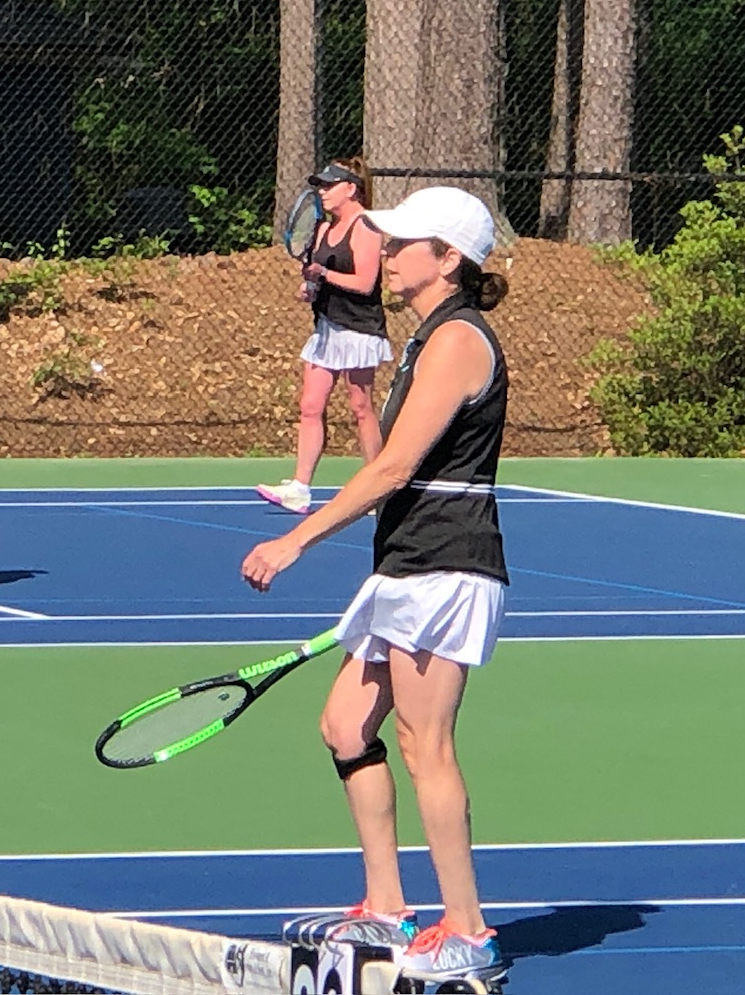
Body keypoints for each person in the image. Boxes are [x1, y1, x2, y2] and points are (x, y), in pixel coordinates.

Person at [241, 186, 511, 988]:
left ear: (448, 258)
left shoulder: (457, 339)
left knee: (425, 744)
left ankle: (467, 930)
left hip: (446, 561)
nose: (385, 253)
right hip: (405, 559)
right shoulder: (425, 337)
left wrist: (294, 538)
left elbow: (392, 466)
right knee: (344, 725)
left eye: (401, 243)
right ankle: (388, 907)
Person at [258, 160, 392, 512]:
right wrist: (310, 287)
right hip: (326, 329)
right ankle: (300, 488)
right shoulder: (322, 229)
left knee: (361, 407)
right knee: (310, 406)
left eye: (330, 185)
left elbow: (365, 283)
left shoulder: (366, 226)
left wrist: (324, 274)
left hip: (359, 329)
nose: (323, 191)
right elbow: (318, 277)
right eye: (320, 186)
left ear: (351, 188)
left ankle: (378, 490)